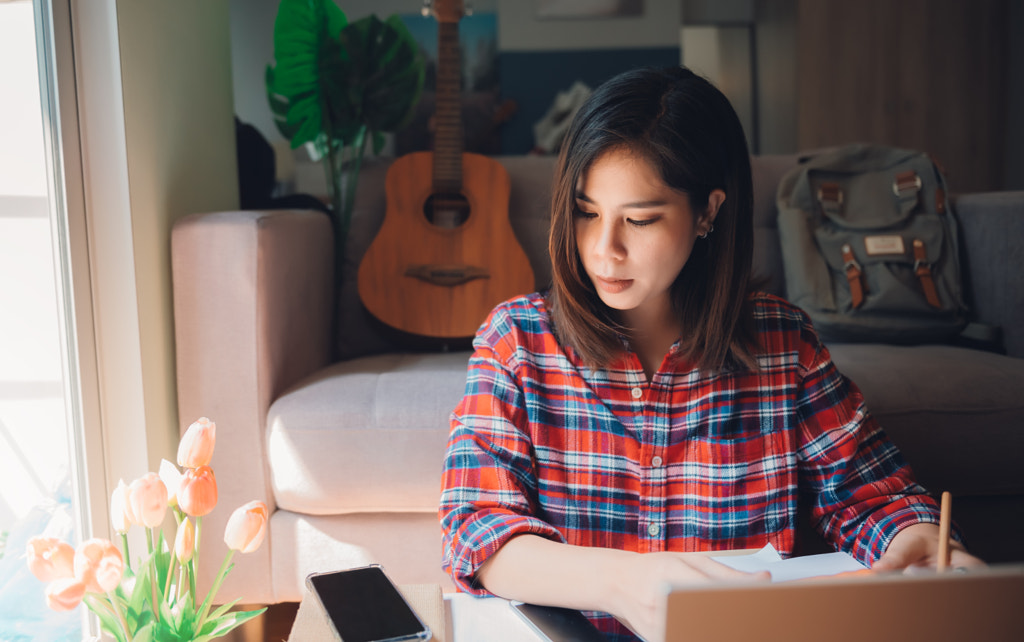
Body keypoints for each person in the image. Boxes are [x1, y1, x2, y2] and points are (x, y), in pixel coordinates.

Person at [438, 66, 983, 641]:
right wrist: (621, 582)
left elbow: (873, 496)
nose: (604, 249)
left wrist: (918, 540)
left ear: (708, 212)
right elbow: (474, 529)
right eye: (586, 211)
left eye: (640, 219)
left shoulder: (782, 344)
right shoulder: (517, 341)